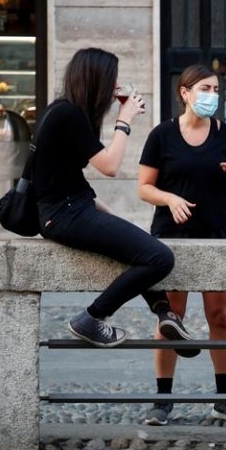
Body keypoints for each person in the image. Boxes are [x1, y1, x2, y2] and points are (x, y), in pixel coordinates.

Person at [33, 47, 195, 348]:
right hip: (64, 215)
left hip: (71, 209)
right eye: (113, 79)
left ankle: (164, 312)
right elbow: (109, 166)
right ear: (97, 79)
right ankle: (92, 317)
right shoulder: (67, 114)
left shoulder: (68, 112)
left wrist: (103, 211)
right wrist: (124, 120)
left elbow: (65, 177)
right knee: (161, 258)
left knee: (139, 246)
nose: (116, 87)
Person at [137, 64, 226, 427]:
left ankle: (225, 400)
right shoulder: (162, 135)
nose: (211, 95)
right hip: (172, 237)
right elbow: (144, 188)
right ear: (184, 93)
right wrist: (170, 198)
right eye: (205, 88)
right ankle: (163, 400)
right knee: (171, 318)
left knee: (221, 316)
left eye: (215, 89)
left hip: (219, 234)